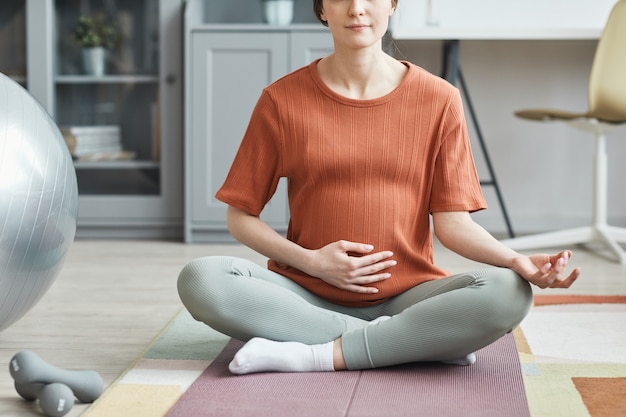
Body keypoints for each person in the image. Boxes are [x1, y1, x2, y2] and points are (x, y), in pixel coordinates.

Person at [177, 0, 580, 374]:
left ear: (391, 3)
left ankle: (317, 354)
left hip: (409, 294)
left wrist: (516, 261)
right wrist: (312, 262)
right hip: (305, 292)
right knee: (201, 278)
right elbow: (240, 216)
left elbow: (453, 225)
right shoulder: (281, 100)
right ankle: (412, 340)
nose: (356, 9)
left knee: (509, 292)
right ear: (321, 9)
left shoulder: (440, 99)